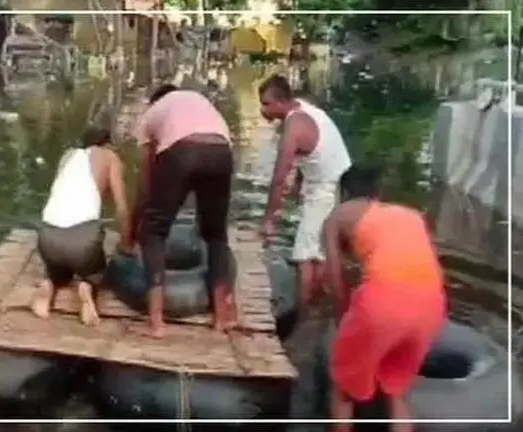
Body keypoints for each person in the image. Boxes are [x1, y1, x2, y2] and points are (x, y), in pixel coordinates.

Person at [322, 165, 447, 432]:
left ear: (343, 193)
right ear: (378, 194)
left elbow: (334, 274)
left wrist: (341, 315)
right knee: (396, 392)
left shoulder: (339, 215)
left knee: (344, 392)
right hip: (432, 305)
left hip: (383, 302)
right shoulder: (410, 215)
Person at [131, 84, 235, 338]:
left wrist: (140, 218)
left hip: (182, 152)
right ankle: (221, 317)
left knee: (154, 231)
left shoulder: (152, 113)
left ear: (155, 102)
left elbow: (148, 173)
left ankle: (156, 322)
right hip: (222, 152)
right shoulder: (200, 101)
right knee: (216, 235)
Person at [257, 74, 352, 315]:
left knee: (303, 255)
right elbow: (314, 147)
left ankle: (303, 311)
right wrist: (301, 181)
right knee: (318, 248)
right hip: (333, 176)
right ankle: (317, 305)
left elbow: (279, 179)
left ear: (282, 102)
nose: (263, 110)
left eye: (267, 104)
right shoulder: (302, 108)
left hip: (325, 187)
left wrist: (269, 219)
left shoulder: (293, 128)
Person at [31, 127, 133, 326]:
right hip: (83, 240)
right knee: (98, 271)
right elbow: (121, 207)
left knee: (58, 270)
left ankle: (49, 283)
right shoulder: (109, 157)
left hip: (47, 236)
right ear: (106, 143)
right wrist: (127, 244)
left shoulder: (67, 156)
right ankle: (88, 287)